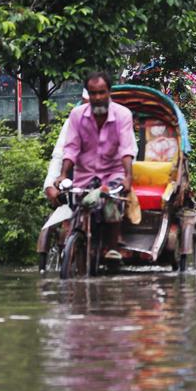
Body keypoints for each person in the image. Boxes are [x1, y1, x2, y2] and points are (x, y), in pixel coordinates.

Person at [54, 72, 137, 259]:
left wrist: (128, 177)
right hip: (85, 175)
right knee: (74, 199)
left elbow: (126, 149)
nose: (97, 98)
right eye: (93, 93)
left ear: (109, 93)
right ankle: (75, 239)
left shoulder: (123, 115)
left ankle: (113, 247)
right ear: (88, 95)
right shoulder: (77, 115)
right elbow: (71, 148)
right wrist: (63, 175)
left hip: (113, 173)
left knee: (111, 201)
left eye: (102, 92)